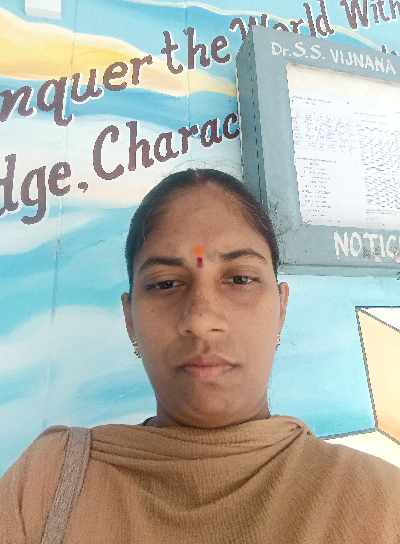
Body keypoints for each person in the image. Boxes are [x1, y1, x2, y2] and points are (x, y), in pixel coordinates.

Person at [0, 168, 399, 543]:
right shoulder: (47, 484)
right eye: (166, 284)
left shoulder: (380, 501)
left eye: (240, 279)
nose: (201, 320)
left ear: (280, 309)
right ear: (130, 319)